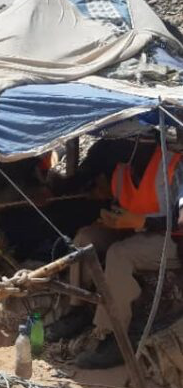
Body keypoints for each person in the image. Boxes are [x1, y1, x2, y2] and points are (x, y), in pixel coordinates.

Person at [47, 137, 183, 369]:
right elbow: (120, 202)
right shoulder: (122, 169)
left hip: (169, 238)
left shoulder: (174, 165)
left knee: (119, 254)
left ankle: (114, 336)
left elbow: (179, 223)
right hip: (133, 230)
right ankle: (78, 309)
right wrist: (113, 217)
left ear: (146, 142)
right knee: (84, 239)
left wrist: (143, 223)